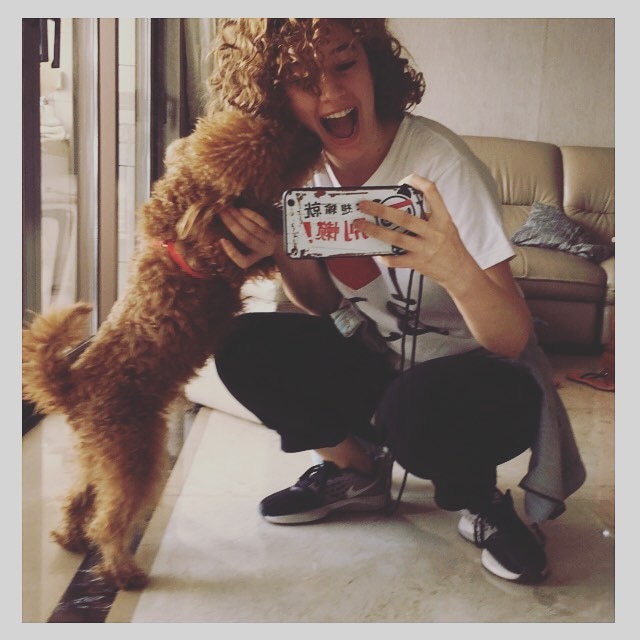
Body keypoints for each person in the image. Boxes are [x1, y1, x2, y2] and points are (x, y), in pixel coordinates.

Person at [206, 18, 585, 584]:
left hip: (480, 380)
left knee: (414, 406)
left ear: (373, 63)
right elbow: (317, 304)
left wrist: (453, 265)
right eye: (304, 79)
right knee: (240, 342)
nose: (332, 92)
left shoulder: (439, 164)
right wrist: (284, 247)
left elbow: (509, 338)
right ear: (277, 96)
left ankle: (481, 500)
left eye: (344, 62)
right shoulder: (299, 173)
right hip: (382, 362)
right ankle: (356, 475)